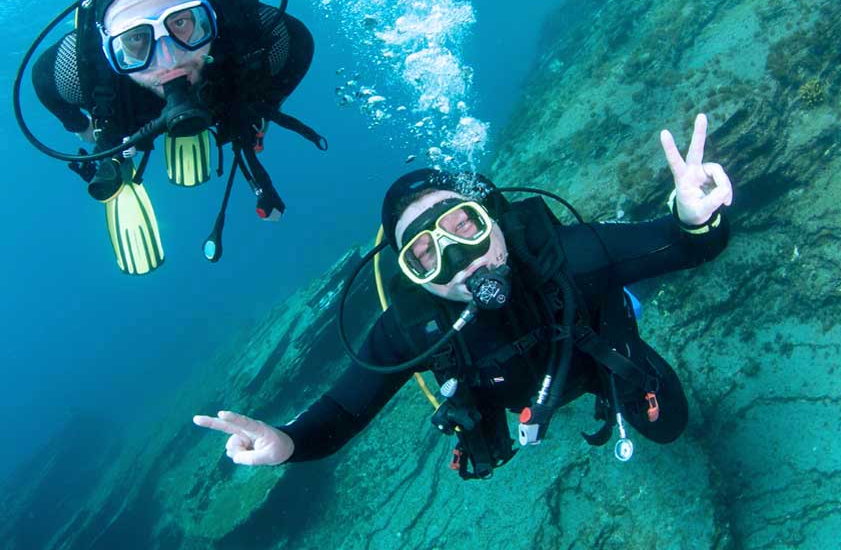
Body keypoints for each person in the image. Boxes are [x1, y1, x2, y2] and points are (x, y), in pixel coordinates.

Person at [193, 114, 734, 479]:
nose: (459, 259)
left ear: (494, 219)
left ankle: (627, 299)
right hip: (521, 393)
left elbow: (684, 248)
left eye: (463, 226)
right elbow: (341, 412)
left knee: (670, 426)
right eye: (426, 255)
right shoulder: (412, 327)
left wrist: (693, 220)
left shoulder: (570, 255)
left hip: (601, 359)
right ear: (411, 274)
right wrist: (288, 441)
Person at [24, 0, 325, 274]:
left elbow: (299, 46)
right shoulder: (76, 70)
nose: (170, 58)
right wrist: (94, 133)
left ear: (210, 16)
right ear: (107, 49)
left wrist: (260, 113)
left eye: (181, 22)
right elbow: (44, 84)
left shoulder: (251, 36)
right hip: (127, 112)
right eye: (136, 39)